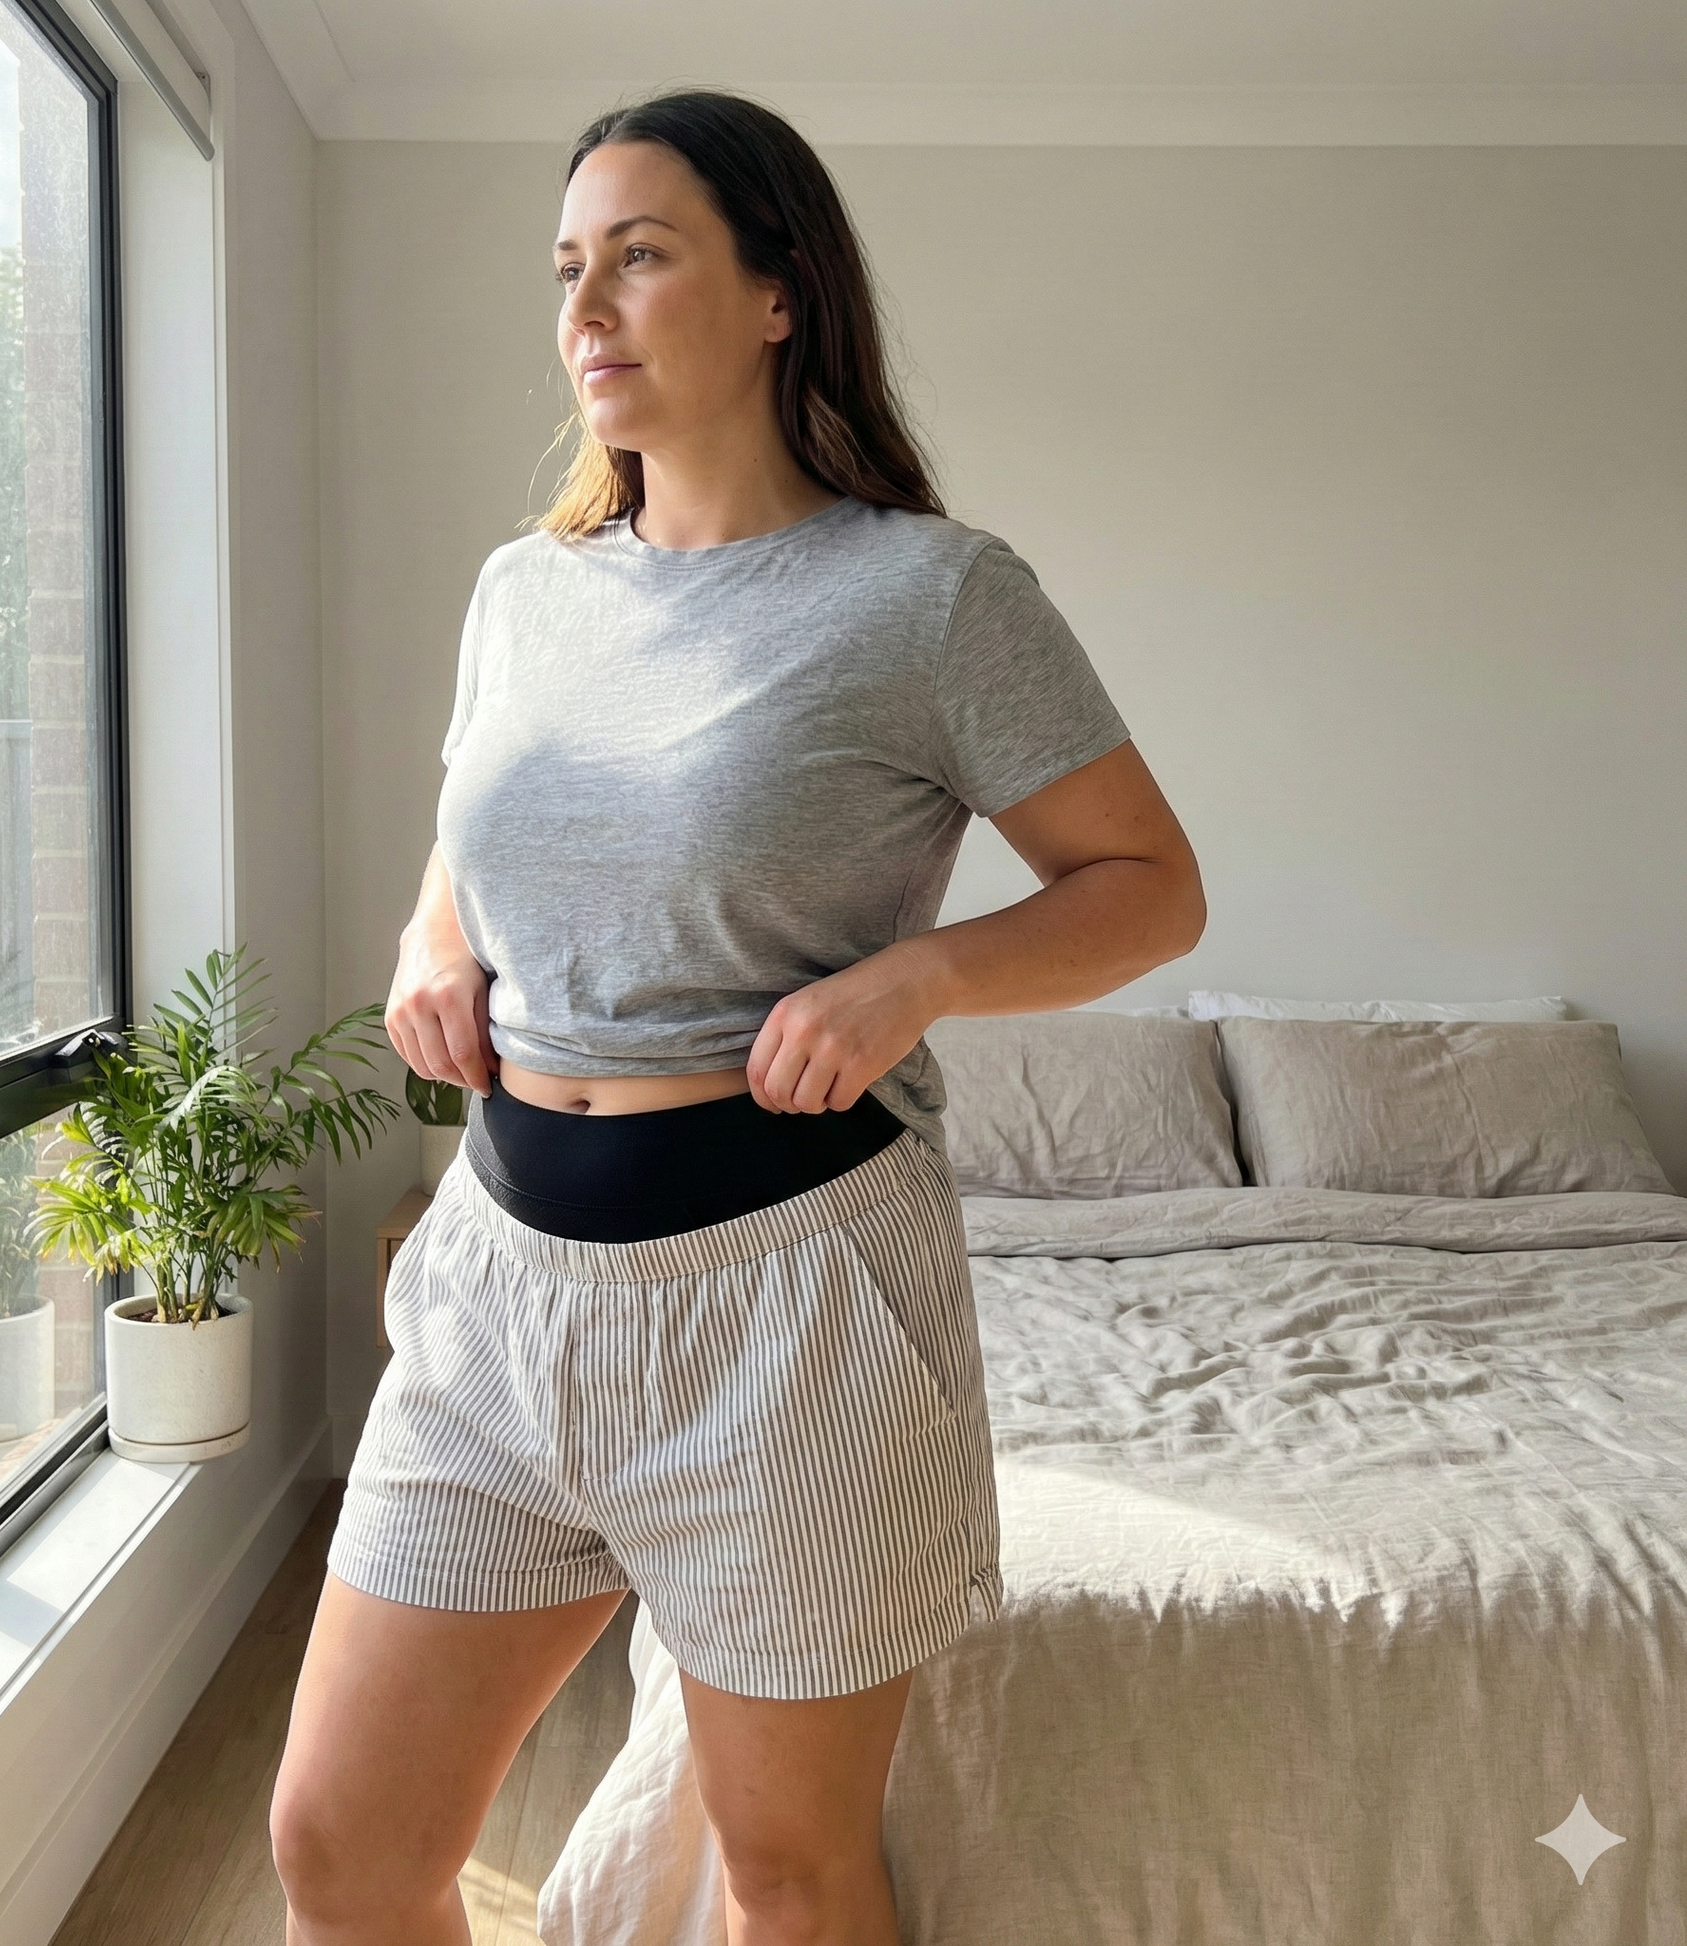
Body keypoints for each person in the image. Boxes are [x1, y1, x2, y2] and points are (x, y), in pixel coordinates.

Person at [271, 89, 1205, 1946]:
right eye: (567, 268)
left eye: (642, 254)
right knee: (337, 1843)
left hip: (793, 1303)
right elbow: (474, 838)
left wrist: (921, 971)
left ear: (778, 292)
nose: (586, 307)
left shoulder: (928, 596)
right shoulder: (522, 593)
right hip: (498, 1286)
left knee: (785, 1875)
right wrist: (427, 941)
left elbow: (1148, 887)